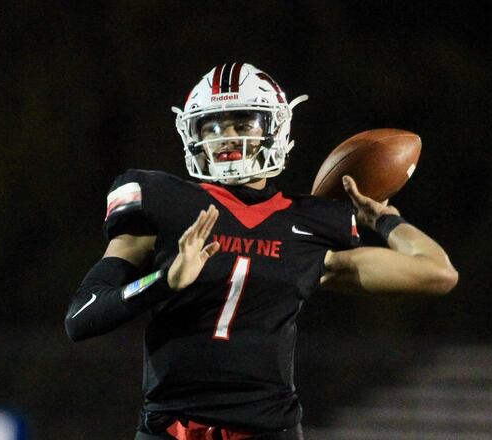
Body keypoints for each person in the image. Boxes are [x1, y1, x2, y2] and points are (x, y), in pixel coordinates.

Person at [65, 63, 458, 440]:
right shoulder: (161, 202)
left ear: (276, 128)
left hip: (267, 430)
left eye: (242, 123)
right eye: (213, 125)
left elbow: (438, 272)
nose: (226, 136)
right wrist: (165, 280)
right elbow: (81, 318)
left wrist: (383, 219)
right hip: (170, 429)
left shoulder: (312, 223)